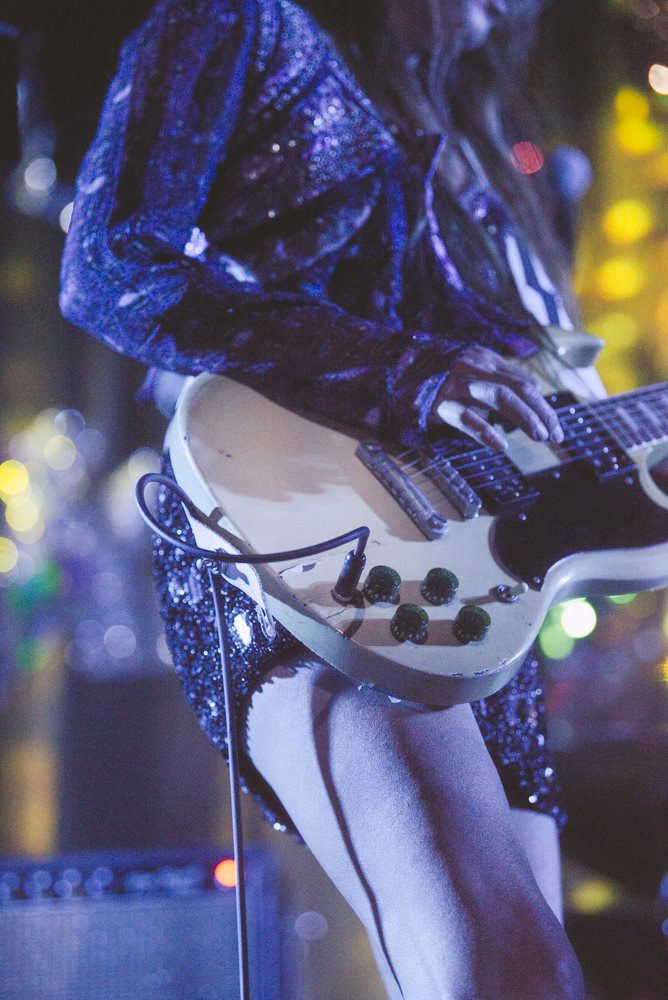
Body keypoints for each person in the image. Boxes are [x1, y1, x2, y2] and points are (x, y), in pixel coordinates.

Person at [60, 0, 593, 995]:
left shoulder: (484, 127)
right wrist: (404, 370)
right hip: (302, 535)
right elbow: (109, 268)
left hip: (473, 575)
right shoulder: (245, 23)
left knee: (515, 969)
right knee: (508, 966)